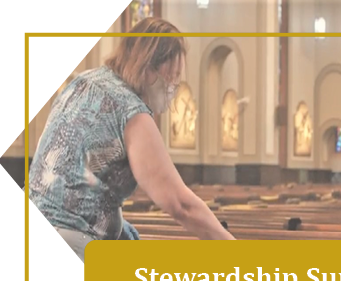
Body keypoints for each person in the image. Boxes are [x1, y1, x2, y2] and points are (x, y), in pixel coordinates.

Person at [28, 17, 235, 262]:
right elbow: (180, 204)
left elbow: (78, 183)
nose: (174, 87)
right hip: (71, 245)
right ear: (150, 69)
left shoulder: (82, 82)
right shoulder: (131, 111)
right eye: (173, 76)